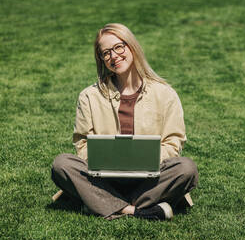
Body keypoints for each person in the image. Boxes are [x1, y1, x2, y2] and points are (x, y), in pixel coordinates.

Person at [51, 23, 199, 221]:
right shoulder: (89, 96)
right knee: (61, 164)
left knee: (186, 168)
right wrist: (108, 161)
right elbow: (82, 143)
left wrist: (141, 160)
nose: (114, 56)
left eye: (119, 47)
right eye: (106, 53)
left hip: (150, 178)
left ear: (132, 46)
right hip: (104, 178)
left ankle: (100, 204)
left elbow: (174, 142)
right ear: (102, 60)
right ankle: (136, 210)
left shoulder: (165, 94)